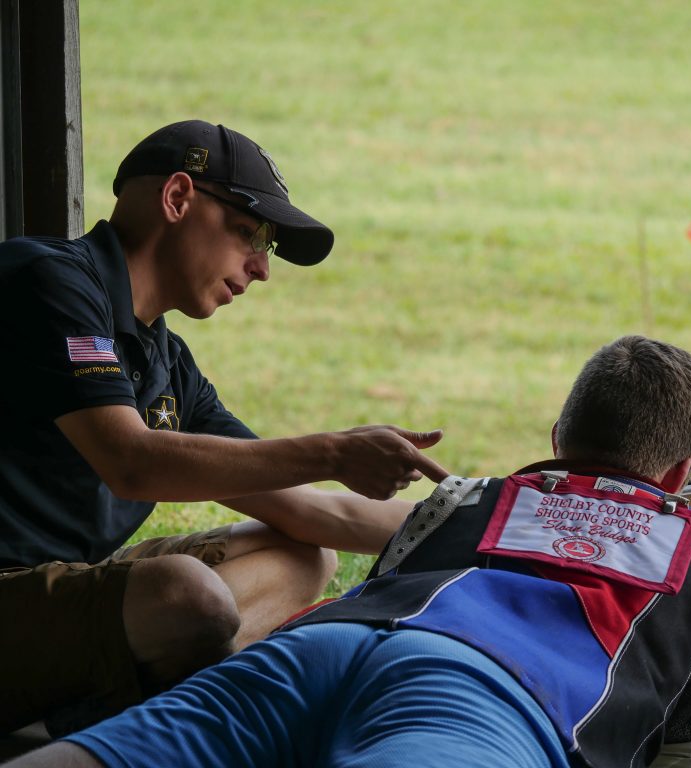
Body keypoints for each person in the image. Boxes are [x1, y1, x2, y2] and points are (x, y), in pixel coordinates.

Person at [6, 335, 691, 768]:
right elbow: (683, 736)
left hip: (319, 646)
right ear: (680, 477)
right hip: (491, 698)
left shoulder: (471, 497)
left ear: (555, 441)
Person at [0, 120, 449, 736]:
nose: (261, 268)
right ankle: (115, 728)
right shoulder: (49, 283)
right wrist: (332, 451)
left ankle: (80, 725)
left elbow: (317, 513)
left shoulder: (167, 362)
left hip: (56, 592)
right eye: (249, 233)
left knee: (302, 556)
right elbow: (130, 461)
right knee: (187, 596)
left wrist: (496, 525)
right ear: (177, 199)